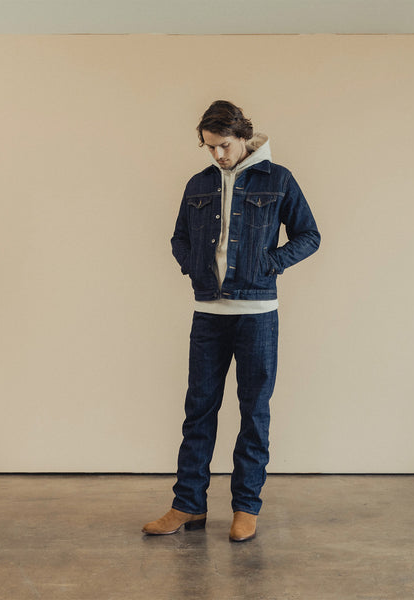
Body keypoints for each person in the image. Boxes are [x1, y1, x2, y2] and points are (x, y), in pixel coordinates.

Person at [142, 100, 320, 542]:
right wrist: (195, 267)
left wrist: (269, 264)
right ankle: (188, 505)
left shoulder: (278, 180)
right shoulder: (198, 183)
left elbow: (309, 235)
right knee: (198, 411)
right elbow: (179, 238)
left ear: (242, 136)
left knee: (253, 412)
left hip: (257, 314)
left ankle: (246, 508)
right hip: (208, 315)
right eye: (209, 148)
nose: (217, 155)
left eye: (223, 145)